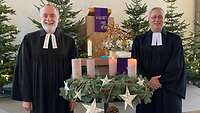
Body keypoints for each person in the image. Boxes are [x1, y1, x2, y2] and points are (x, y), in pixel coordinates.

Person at [12, 4, 76, 113]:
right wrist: (26, 98)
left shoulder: (68, 41)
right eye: (45, 16)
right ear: (40, 18)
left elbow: (74, 71)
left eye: (52, 15)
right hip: (38, 94)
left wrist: (73, 96)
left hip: (63, 95)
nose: (49, 19)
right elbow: (24, 70)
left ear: (58, 18)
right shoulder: (29, 40)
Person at [131, 7, 186, 113]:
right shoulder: (139, 40)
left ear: (164, 19)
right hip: (146, 88)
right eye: (154, 17)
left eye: (160, 17)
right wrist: (148, 81)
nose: (157, 20)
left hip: (168, 88)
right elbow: (135, 64)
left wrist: (160, 81)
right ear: (149, 19)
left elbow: (177, 64)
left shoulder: (174, 40)